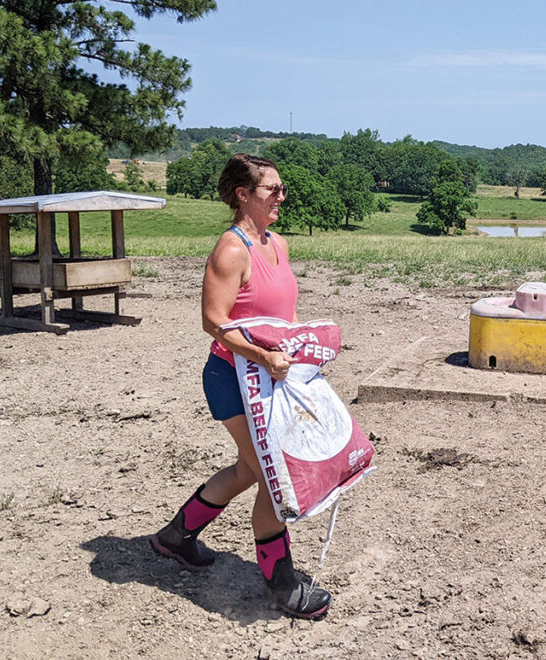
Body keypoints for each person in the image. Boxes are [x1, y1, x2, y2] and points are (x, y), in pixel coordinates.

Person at [149, 154, 331, 620]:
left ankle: (175, 537)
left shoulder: (279, 245)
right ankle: (281, 583)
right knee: (275, 477)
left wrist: (301, 356)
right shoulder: (231, 251)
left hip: (273, 379)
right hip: (233, 378)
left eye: (282, 189)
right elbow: (214, 321)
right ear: (243, 195)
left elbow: (280, 319)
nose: (281, 197)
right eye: (273, 190)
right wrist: (264, 356)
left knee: (250, 469)